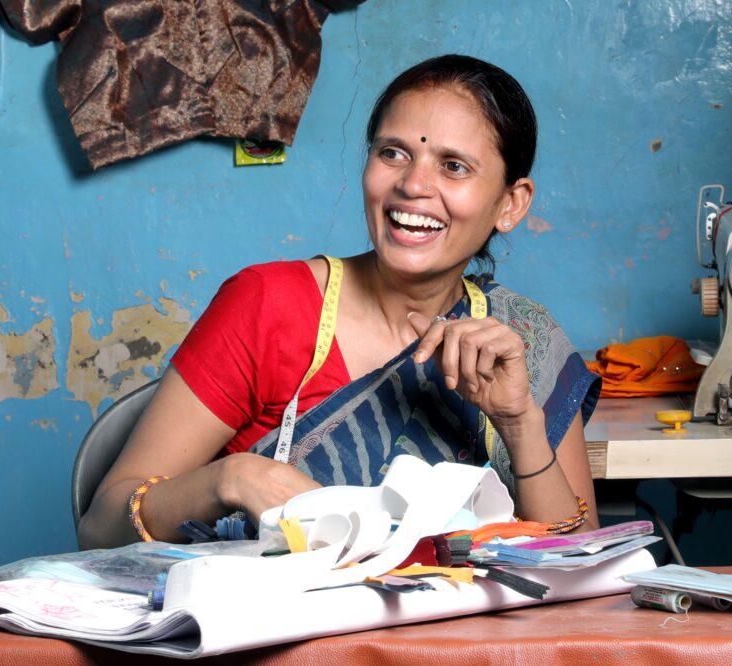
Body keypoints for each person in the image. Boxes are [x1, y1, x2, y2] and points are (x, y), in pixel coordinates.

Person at [78, 54, 601, 549]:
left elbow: (581, 568)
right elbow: (99, 528)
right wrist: (230, 479)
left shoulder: (522, 340)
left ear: (511, 204)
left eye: (454, 167)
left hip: (458, 643)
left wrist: (520, 424)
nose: (413, 185)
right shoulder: (268, 306)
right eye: (392, 152)